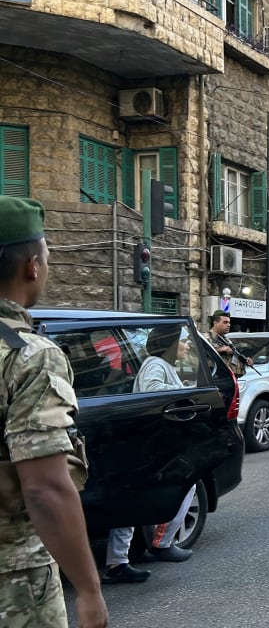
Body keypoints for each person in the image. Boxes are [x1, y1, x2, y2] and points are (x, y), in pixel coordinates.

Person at [0, 197, 109, 627]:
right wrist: (88, 590)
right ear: (32, 266)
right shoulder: (28, 356)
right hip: (14, 577)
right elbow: (44, 487)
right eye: (46, 256)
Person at [106, 327, 195, 584]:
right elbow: (153, 390)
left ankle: (122, 560)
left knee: (136, 499)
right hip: (149, 443)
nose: (187, 346)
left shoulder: (158, 364)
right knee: (157, 493)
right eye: (183, 342)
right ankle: (157, 545)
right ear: (169, 343)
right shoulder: (155, 364)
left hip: (151, 442)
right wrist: (183, 392)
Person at [207, 310, 252, 376]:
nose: (229, 325)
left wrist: (245, 360)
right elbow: (200, 353)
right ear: (215, 323)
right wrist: (221, 349)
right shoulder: (206, 337)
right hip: (215, 377)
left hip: (229, 379)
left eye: (229, 322)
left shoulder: (226, 340)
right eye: (225, 322)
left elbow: (233, 357)